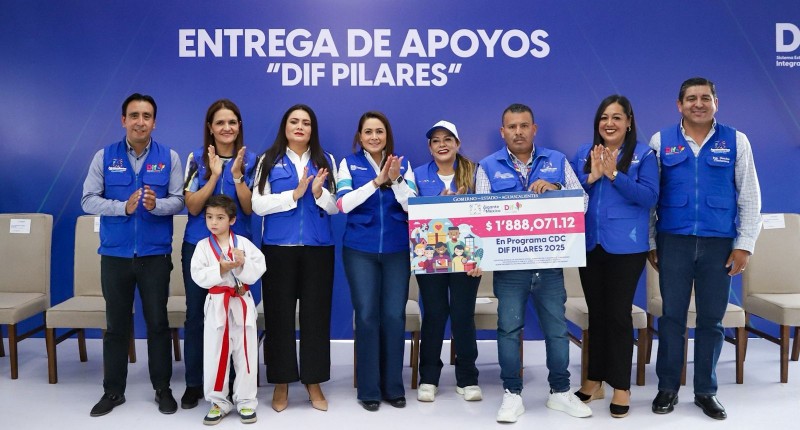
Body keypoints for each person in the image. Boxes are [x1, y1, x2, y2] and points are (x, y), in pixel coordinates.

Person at [648, 77, 761, 420]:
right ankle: (667, 387)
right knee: (672, 318)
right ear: (679, 105)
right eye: (691, 98)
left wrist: (744, 245)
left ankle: (706, 391)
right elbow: (650, 197)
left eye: (705, 98)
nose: (698, 104)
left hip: (719, 245)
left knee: (712, 320)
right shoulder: (661, 141)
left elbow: (750, 196)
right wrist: (651, 241)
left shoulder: (736, 140)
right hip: (674, 242)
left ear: (716, 103)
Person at [475, 103, 591, 423]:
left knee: (556, 330)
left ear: (534, 129)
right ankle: (512, 394)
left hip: (549, 263)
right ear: (503, 132)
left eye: (524, 126)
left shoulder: (557, 161)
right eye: (512, 127)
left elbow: (582, 202)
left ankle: (560, 392)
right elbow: (480, 215)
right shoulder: (487, 166)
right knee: (509, 330)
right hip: (510, 268)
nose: (518, 132)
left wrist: (556, 190)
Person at [81, 93, 184, 417]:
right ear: (123, 120)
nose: (141, 122)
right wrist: (121, 207)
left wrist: (157, 205)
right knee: (116, 326)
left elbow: (179, 200)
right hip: (115, 255)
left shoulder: (169, 157)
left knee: (157, 323)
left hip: (155, 256)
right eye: (135, 115)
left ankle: (162, 388)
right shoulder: (104, 156)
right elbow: (87, 199)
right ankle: (113, 391)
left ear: (154, 122)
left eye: (147, 116)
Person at [570, 95, 659, 418]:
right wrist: (591, 176)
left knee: (619, 315)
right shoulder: (584, 153)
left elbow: (649, 197)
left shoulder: (644, 155)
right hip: (589, 245)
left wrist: (614, 175)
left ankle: (621, 386)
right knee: (597, 314)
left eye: (617, 117)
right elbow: (570, 194)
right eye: (604, 117)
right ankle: (594, 381)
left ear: (629, 122)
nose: (609, 123)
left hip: (627, 247)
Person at [252, 104, 338, 412]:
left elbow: (335, 207)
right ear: (285, 127)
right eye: (294, 121)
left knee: (316, 317)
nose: (300, 126)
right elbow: (258, 205)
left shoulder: (325, 160)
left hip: (318, 249)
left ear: (312, 129)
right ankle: (281, 382)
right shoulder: (268, 160)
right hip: (278, 248)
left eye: (306, 122)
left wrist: (318, 193)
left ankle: (313, 382)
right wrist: (294, 194)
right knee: (279, 316)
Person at [336, 111, 417, 411]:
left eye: (379, 131)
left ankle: (393, 387)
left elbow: (413, 206)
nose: (374, 137)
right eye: (368, 132)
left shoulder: (403, 165)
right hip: (360, 250)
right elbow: (343, 203)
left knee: (394, 316)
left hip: (397, 250)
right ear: (360, 137)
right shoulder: (348, 164)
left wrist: (395, 181)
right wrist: (376, 182)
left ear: (387, 135)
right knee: (368, 316)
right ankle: (369, 389)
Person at [180, 99, 257, 409]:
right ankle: (194, 383)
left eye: (232, 122)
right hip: (200, 247)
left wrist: (236, 175)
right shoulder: (196, 159)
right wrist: (213, 176)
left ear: (239, 127)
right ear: (210, 128)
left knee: (237, 317)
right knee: (197, 316)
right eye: (220, 123)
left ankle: (236, 384)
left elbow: (249, 208)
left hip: (237, 249)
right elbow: (192, 206)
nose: (227, 128)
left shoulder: (252, 160)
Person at [411, 120, 483, 403]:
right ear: (430, 147)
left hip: (466, 258)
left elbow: (485, 216)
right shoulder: (418, 175)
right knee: (435, 313)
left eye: (447, 139)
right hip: (430, 258)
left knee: (463, 315)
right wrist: (438, 205)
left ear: (457, 143)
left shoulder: (475, 172)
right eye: (436, 140)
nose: (442, 144)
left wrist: (480, 258)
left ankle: (468, 378)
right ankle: (429, 377)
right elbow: (410, 214)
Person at [190, 195, 266, 425]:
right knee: (215, 354)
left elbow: (260, 266)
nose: (213, 222)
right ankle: (218, 402)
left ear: (232, 220)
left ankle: (246, 401)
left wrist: (244, 263)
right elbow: (198, 275)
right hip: (217, 304)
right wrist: (220, 269)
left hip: (241, 301)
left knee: (245, 353)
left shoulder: (243, 244)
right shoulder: (203, 247)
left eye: (220, 218)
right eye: (209, 217)